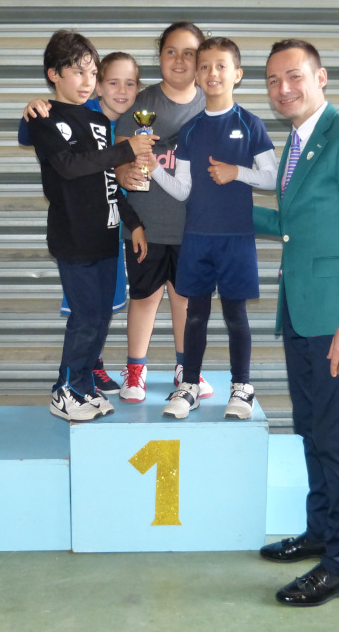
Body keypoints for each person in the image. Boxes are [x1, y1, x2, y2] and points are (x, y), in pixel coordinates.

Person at [253, 39, 339, 606]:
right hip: (300, 312)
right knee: (310, 430)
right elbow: (294, 225)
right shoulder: (295, 144)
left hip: (336, 319)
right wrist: (218, 210)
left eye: (294, 77)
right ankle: (319, 533)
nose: (283, 89)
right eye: (272, 80)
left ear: (320, 77)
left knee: (335, 439)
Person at [25, 30, 156, 422]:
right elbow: (69, 166)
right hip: (73, 236)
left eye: (91, 73)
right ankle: (64, 390)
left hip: (105, 235)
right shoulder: (45, 118)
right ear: (54, 74)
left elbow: (108, 179)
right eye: (77, 72)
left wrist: (133, 222)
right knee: (84, 318)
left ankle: (83, 387)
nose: (86, 81)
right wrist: (125, 149)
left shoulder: (99, 120)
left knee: (99, 317)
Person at [148, 37, 277, 419]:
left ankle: (242, 388)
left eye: (221, 65)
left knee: (237, 316)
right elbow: (183, 189)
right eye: (204, 66)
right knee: (195, 316)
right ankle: (189, 385)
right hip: (198, 239)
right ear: (197, 75)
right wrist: (153, 170)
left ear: (237, 74)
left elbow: (272, 178)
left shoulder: (250, 124)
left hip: (236, 240)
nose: (212, 73)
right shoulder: (190, 130)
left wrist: (237, 172)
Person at [113, 22, 215, 404]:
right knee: (143, 298)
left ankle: (187, 370)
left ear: (201, 58)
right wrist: (126, 172)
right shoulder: (141, 103)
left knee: (184, 301)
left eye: (189, 52)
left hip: (194, 228)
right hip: (146, 225)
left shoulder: (211, 103)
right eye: (171, 51)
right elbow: (118, 158)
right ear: (159, 56)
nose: (179, 60)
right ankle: (135, 370)